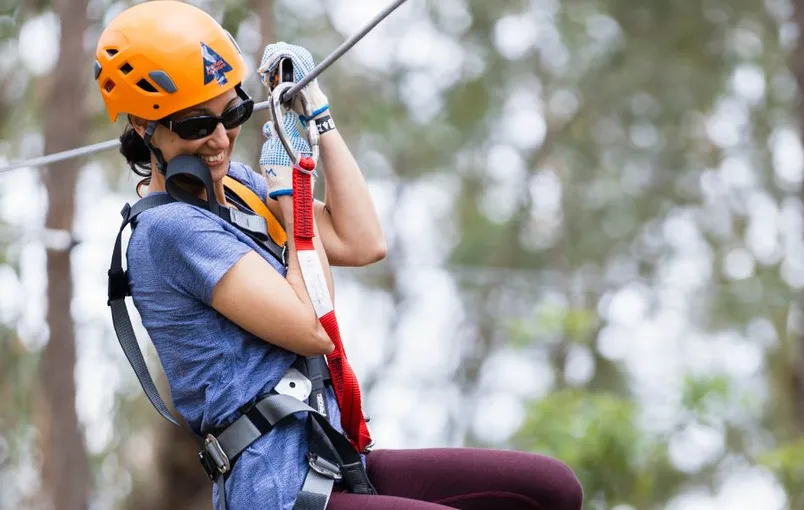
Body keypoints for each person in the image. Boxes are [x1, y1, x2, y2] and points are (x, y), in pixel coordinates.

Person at [96, 2, 584, 510]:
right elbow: (314, 325)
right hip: (275, 486)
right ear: (144, 124)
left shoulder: (236, 188)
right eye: (198, 125)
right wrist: (292, 192)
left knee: (551, 489)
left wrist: (318, 118)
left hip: (331, 454)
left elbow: (362, 240)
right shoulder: (167, 231)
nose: (222, 140)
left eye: (233, 113)